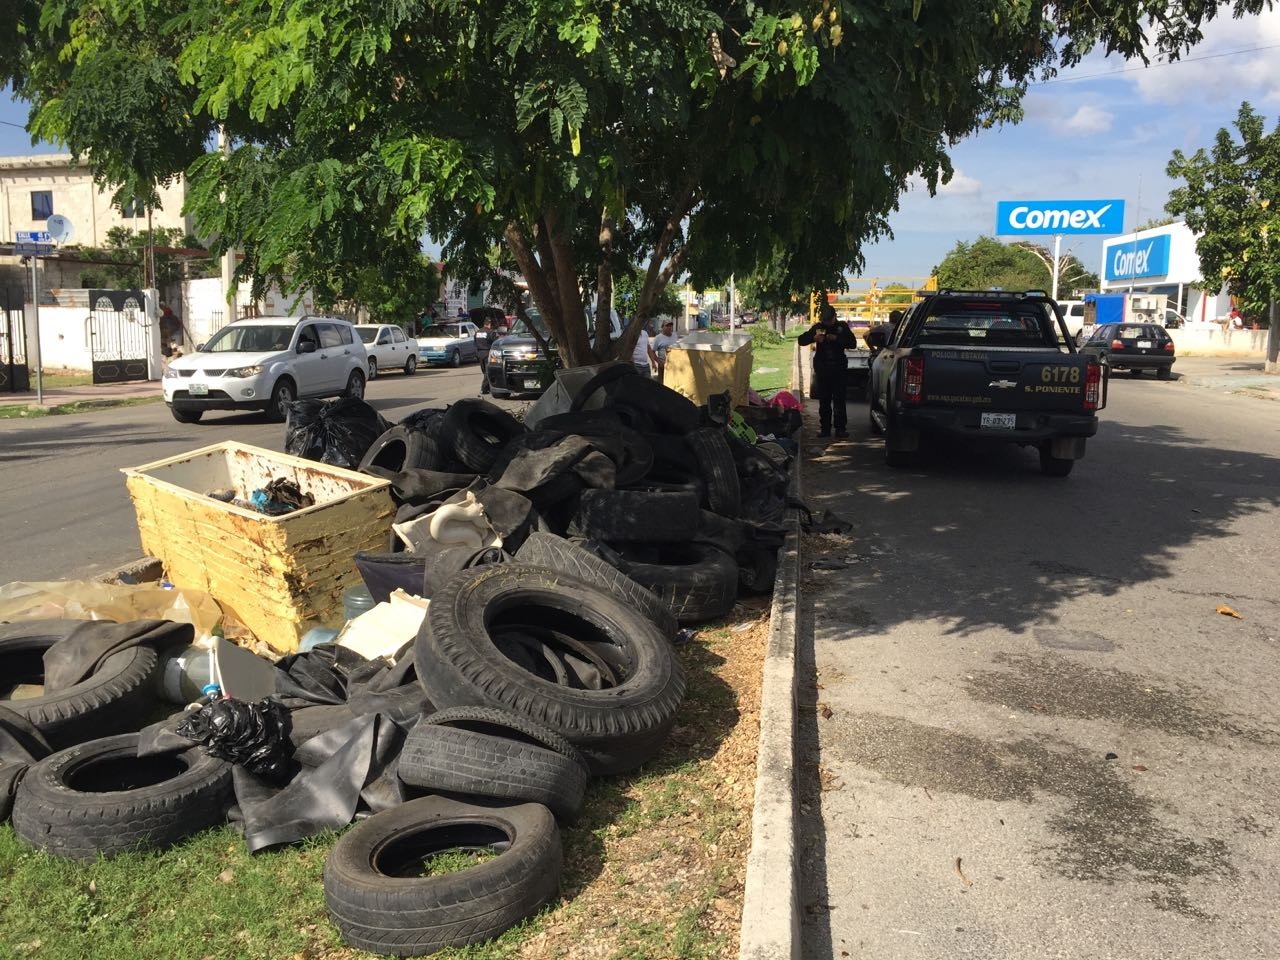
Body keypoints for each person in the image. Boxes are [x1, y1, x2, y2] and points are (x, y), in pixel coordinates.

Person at [797, 303, 856, 438]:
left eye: (829, 320)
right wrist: (814, 338)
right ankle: (825, 429)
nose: (827, 323)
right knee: (824, 400)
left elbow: (852, 343)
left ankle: (840, 428)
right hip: (823, 369)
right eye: (825, 320)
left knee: (839, 400)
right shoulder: (818, 328)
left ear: (834, 317)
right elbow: (801, 340)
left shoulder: (842, 327)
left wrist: (837, 339)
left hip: (838, 368)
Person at [474, 317, 495, 394]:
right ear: (489, 324)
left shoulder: (477, 332)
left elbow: (475, 343)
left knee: (484, 371)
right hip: (487, 353)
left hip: (480, 354)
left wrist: (476, 354)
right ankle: (484, 388)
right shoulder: (491, 332)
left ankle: (488, 387)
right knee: (487, 372)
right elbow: (494, 343)